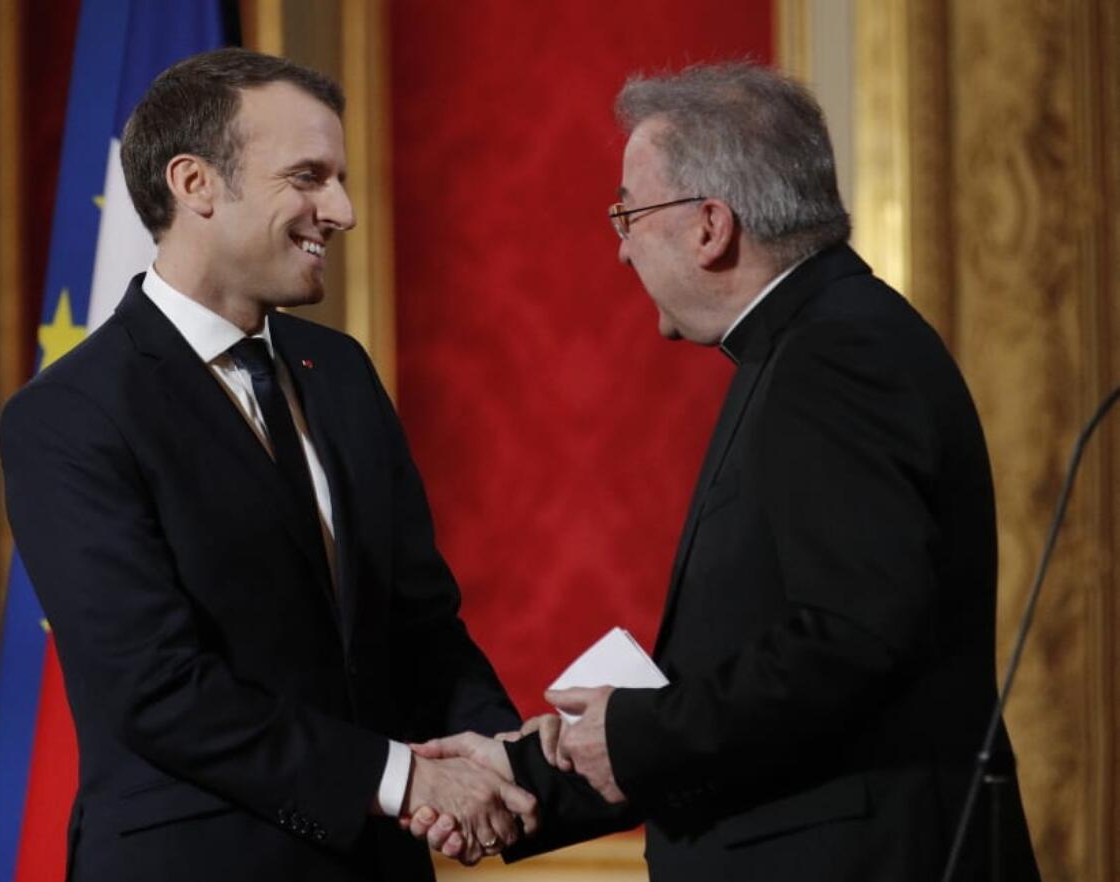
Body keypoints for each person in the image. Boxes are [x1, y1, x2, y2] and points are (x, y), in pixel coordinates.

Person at [410, 63, 1041, 881]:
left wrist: (629, 735)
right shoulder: (809, 344)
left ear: (710, 226)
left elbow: (850, 641)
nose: (620, 247)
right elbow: (753, 672)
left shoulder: (833, 356)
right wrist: (528, 773)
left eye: (628, 213)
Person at [0, 48, 535, 882]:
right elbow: (159, 688)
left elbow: (418, 623)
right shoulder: (68, 415)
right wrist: (405, 781)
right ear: (195, 184)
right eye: (309, 177)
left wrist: (497, 759)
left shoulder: (342, 372)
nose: (344, 210)